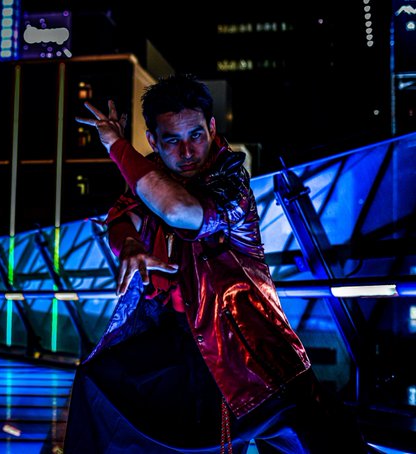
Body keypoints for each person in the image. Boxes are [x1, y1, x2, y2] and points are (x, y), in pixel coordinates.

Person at [62, 74, 374, 453]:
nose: (188, 151)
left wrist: (115, 145)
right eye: (172, 140)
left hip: (246, 346)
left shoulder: (230, 182)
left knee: (310, 434)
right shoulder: (154, 174)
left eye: (196, 135)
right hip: (181, 339)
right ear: (153, 142)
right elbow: (122, 213)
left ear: (212, 128)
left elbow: (179, 210)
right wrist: (126, 240)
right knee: (100, 384)